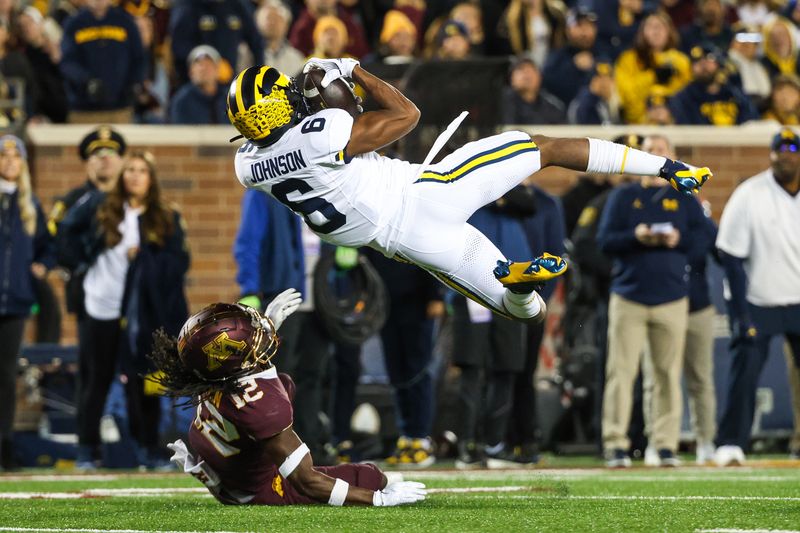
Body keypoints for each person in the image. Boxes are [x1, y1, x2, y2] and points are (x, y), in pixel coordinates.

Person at [228, 59, 711, 324]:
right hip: (426, 192)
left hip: (406, 243)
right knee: (543, 148)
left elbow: (290, 138)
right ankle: (667, 166)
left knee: (525, 310)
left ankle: (519, 281)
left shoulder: (247, 165)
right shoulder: (323, 132)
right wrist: (353, 72)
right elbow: (405, 116)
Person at [150, 298, 427, 507]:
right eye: (251, 339)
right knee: (370, 476)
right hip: (256, 488)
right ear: (231, 360)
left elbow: (247, 372)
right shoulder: (263, 405)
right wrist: (376, 499)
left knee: (285, 384)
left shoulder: (209, 375)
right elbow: (307, 482)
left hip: (229, 470)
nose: (261, 337)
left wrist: (267, 327)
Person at [59, 150, 189, 470]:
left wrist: (144, 258)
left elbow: (179, 264)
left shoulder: (164, 216)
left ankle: (149, 449)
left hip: (141, 313)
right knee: (95, 380)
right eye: (129, 169)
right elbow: (64, 233)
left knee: (145, 381)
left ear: (151, 178)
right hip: (100, 304)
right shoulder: (101, 208)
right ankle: (88, 451)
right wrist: (76, 266)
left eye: (141, 170)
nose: (133, 175)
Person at [596, 133, 708, 467]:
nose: (656, 155)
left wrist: (678, 239)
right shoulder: (623, 196)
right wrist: (636, 236)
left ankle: (665, 444)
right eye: (649, 151)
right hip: (629, 296)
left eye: (661, 151)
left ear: (672, 156)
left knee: (667, 374)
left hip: (672, 296)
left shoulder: (685, 197)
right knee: (621, 372)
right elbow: (603, 241)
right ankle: (615, 442)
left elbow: (704, 240)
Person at [714, 128, 800, 466]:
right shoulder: (749, 193)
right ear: (771, 154)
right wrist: (740, 314)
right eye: (780, 150)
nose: (786, 155)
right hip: (759, 299)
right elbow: (731, 258)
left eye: (793, 149)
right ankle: (730, 442)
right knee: (745, 369)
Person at [0, 135, 54, 470]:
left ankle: (4, 444)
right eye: (3, 155)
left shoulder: (29, 203)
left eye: (14, 156)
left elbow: (47, 245)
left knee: (6, 375)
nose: (9, 161)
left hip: (15, 303)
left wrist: (42, 265)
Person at [51, 126, 126, 318]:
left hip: (128, 290)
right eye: (97, 153)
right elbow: (55, 240)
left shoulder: (133, 198)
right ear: (86, 163)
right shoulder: (73, 200)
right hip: (85, 292)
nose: (105, 158)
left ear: (121, 160)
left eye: (111, 152)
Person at [60, 0, 144, 123]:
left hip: (120, 108)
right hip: (83, 109)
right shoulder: (74, 24)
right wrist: (86, 81)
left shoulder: (125, 22)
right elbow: (67, 62)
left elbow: (139, 58)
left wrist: (133, 84)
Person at [614, 11, 691, 124]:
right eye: (651, 26)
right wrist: (653, 77)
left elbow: (687, 98)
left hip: (673, 125)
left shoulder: (681, 61)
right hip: (637, 125)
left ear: (670, 31)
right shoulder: (628, 59)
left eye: (661, 26)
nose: (656, 31)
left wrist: (670, 111)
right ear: (642, 31)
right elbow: (626, 97)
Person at [669, 44, 759, 126]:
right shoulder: (683, 98)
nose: (703, 65)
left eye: (709, 60)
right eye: (697, 61)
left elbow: (751, 122)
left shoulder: (736, 95)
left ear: (719, 64)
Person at [169, 45, 228, 125]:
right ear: (190, 72)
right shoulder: (182, 101)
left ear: (217, 71)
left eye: (208, 65)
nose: (203, 69)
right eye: (199, 64)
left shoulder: (229, 99)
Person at [501, 57, 565, 125]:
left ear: (540, 77)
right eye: (521, 69)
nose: (527, 74)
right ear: (511, 79)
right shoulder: (500, 102)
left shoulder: (552, 106)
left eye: (531, 70)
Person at [255, 0, 305, 78]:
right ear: (257, 22)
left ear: (286, 25)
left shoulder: (296, 58)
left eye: (277, 19)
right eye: (268, 18)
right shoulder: (245, 53)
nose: (272, 22)